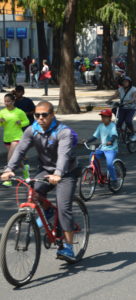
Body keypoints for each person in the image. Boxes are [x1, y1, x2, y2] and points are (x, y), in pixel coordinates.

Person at [1, 101, 79, 261]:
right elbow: (20, 149)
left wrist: (58, 174)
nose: (40, 118)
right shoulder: (32, 130)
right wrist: (9, 169)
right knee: (34, 192)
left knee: (64, 207)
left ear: (52, 115)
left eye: (44, 115)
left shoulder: (63, 132)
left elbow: (64, 155)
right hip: (45, 170)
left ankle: (69, 247)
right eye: (37, 115)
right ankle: (49, 210)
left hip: (66, 172)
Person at [84, 109, 118, 189]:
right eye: (102, 117)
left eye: (105, 117)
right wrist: (87, 140)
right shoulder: (100, 126)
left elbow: (114, 135)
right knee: (92, 156)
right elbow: (95, 136)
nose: (103, 118)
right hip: (102, 148)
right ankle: (98, 175)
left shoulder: (112, 126)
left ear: (110, 118)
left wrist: (111, 141)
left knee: (109, 164)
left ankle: (114, 179)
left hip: (111, 149)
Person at [0, 93, 29, 186]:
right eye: (5, 101)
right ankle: (25, 169)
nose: (6, 103)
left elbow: (27, 121)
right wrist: (1, 122)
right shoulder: (2, 112)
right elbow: (1, 125)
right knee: (16, 157)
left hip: (17, 136)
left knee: (10, 156)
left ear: (13, 101)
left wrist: (21, 123)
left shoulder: (19, 112)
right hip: (7, 137)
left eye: (8, 101)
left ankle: (8, 179)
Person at [106, 76, 136, 141]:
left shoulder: (133, 89)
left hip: (131, 108)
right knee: (119, 122)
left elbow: (133, 99)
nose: (125, 83)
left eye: (126, 82)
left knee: (128, 121)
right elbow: (115, 95)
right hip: (122, 107)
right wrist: (109, 100)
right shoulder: (120, 89)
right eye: (123, 82)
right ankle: (120, 132)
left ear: (129, 82)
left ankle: (133, 133)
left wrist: (127, 102)